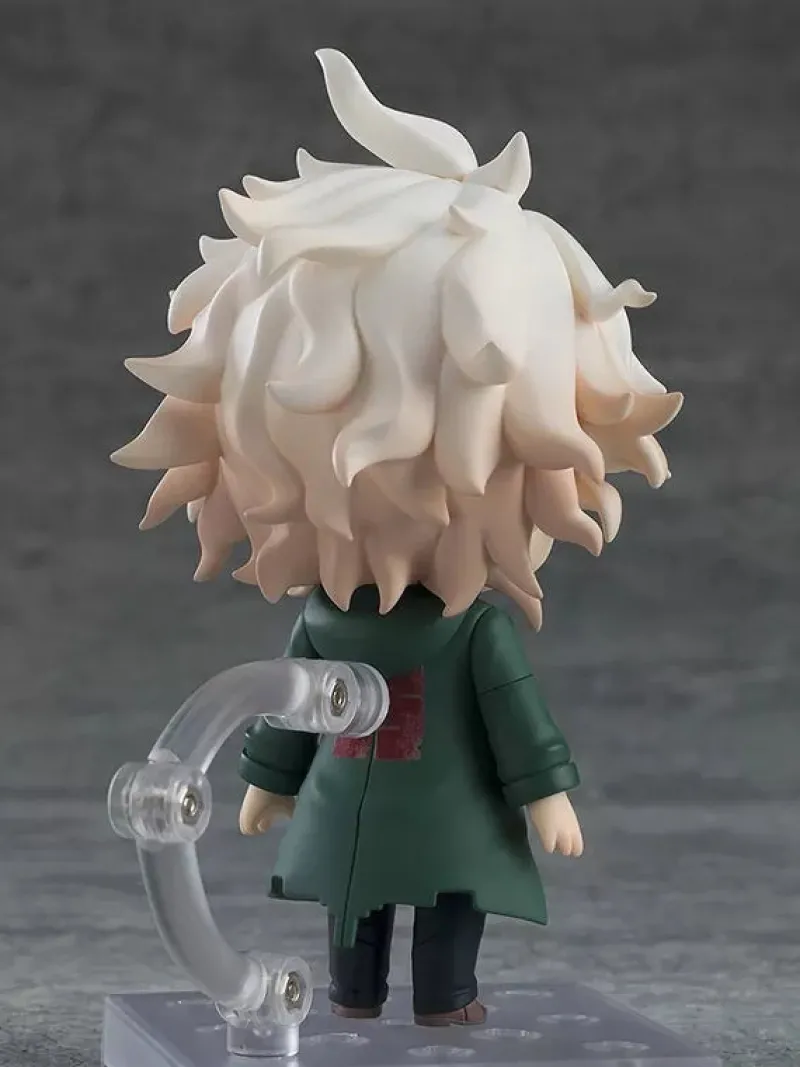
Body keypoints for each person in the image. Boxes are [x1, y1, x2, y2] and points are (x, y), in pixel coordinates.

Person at [112, 48, 681, 1027]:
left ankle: (445, 998)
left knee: (450, 909)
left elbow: (514, 717)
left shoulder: (470, 629)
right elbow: (286, 704)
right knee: (353, 913)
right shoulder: (328, 618)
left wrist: (545, 794)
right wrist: (270, 780)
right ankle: (353, 993)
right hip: (348, 816)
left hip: (453, 814)